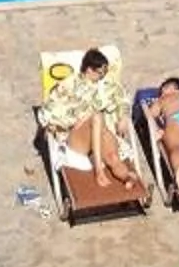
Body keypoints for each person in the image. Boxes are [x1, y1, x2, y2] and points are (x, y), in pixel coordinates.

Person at [40, 47, 143, 200]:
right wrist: (77, 120)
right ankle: (98, 171)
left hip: (101, 132)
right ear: (89, 70)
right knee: (96, 117)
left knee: (114, 156)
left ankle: (127, 178)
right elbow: (47, 113)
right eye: (100, 73)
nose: (103, 77)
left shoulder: (108, 85)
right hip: (77, 137)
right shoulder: (68, 85)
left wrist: (123, 117)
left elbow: (123, 99)